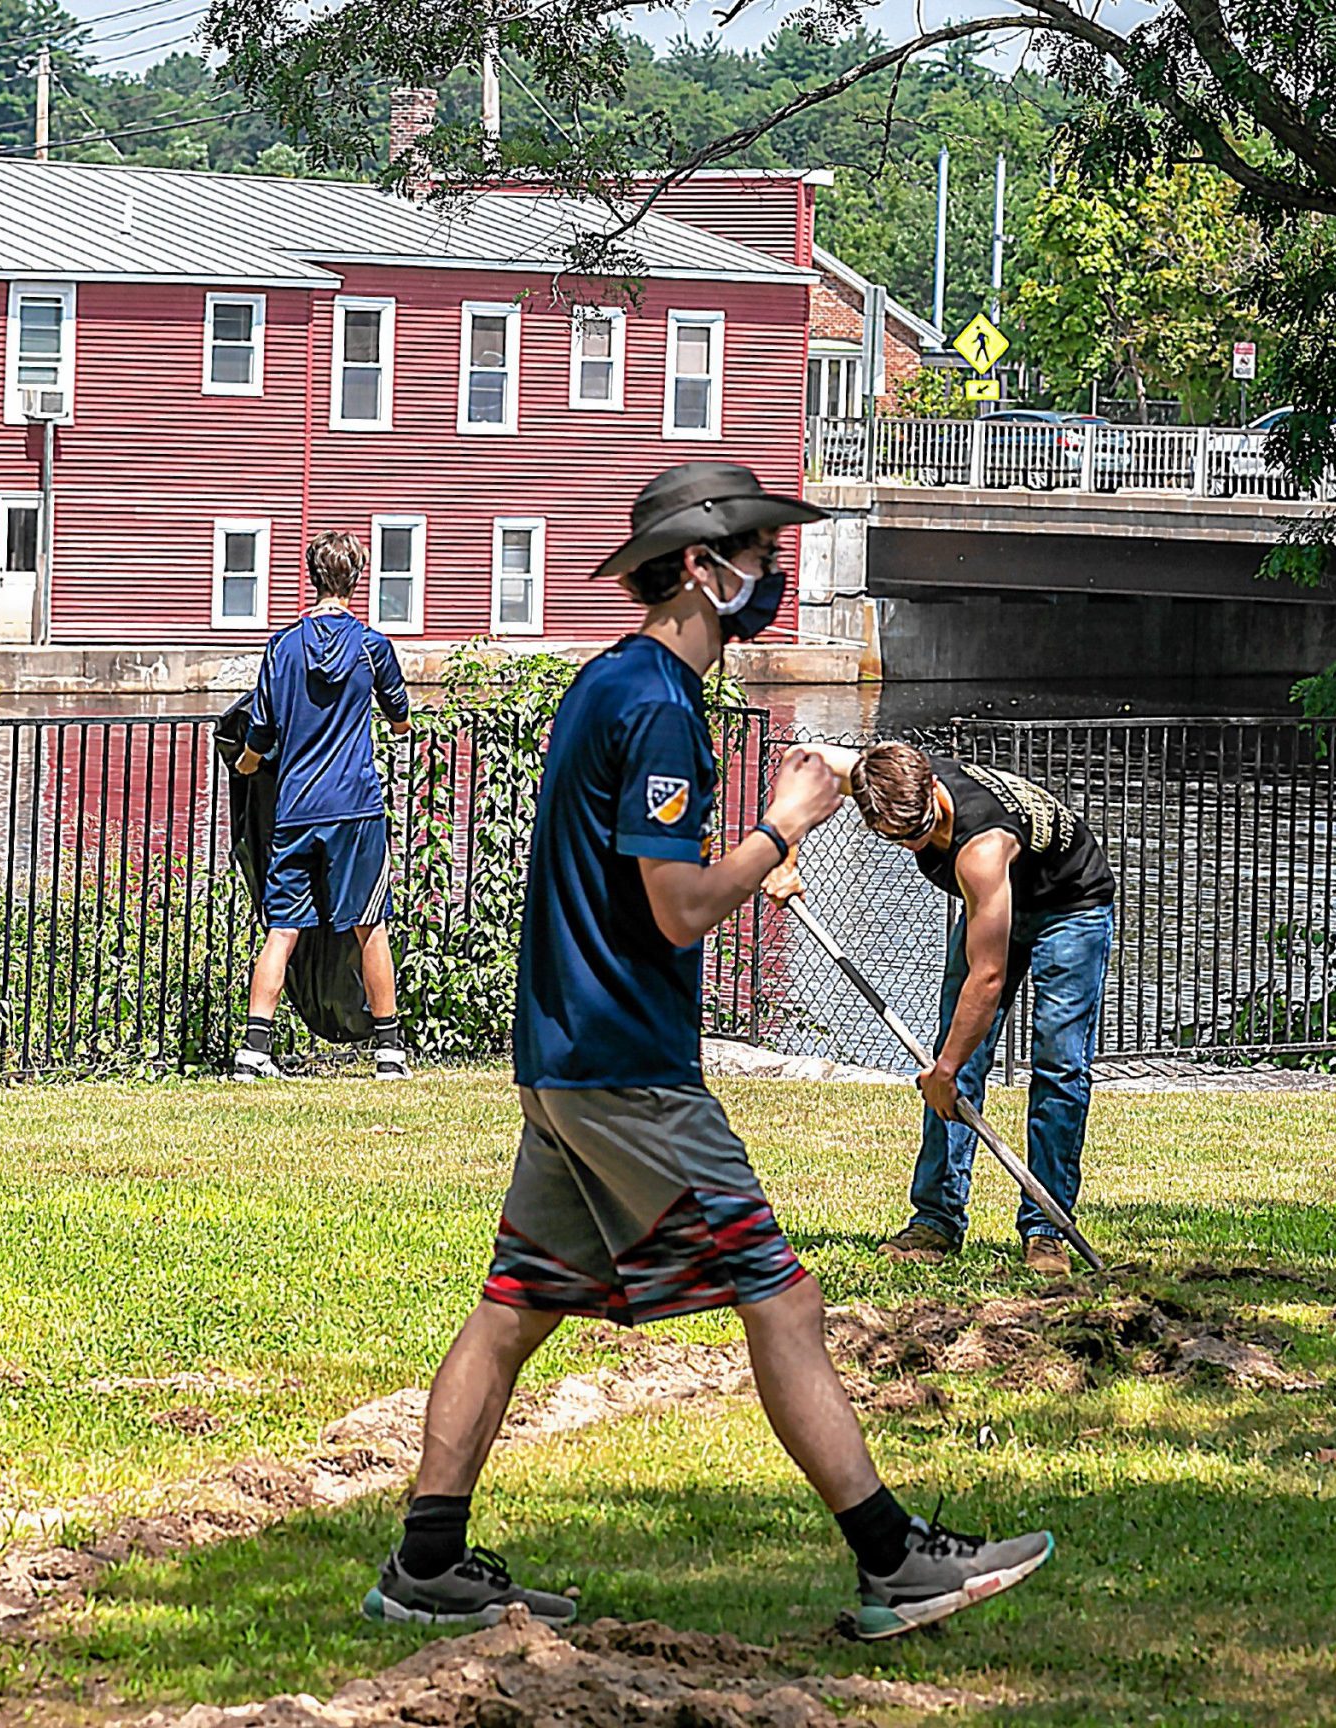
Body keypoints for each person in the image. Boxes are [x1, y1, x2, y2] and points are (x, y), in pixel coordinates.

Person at [364, 462, 1053, 1642]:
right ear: (700, 567)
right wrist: (784, 823)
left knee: (515, 1305)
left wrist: (749, 848)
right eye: (754, 555)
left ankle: (427, 1564)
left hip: (565, 1063)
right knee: (783, 1299)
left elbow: (648, 889)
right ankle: (894, 1560)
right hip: (627, 1068)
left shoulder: (610, 685)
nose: (770, 578)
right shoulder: (659, 706)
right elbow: (677, 909)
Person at [801, 741, 1114, 1277]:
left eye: (919, 832)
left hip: (1069, 907)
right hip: (989, 907)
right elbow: (804, 758)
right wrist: (781, 855)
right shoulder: (882, 779)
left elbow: (987, 978)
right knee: (954, 1056)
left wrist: (945, 1072)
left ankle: (1046, 1230)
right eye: (898, 840)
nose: (913, 845)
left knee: (1058, 1064)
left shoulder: (982, 848)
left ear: (933, 792)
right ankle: (936, 1221)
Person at [233, 530, 414, 1080]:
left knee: (281, 929)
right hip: (355, 806)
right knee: (369, 926)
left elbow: (259, 735)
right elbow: (400, 715)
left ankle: (254, 1051)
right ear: (357, 579)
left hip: (296, 806)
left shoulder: (282, 646)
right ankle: (388, 1051)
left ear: (312, 575)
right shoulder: (371, 647)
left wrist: (245, 766)